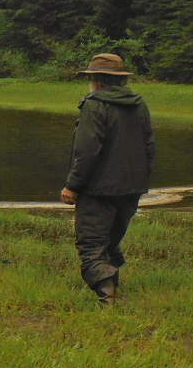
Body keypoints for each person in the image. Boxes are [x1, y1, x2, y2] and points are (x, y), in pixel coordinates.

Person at [60, 54, 156, 304]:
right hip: (132, 188)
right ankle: (111, 283)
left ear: (96, 80)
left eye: (91, 77)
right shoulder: (138, 103)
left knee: (91, 242)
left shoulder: (95, 105)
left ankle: (106, 295)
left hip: (98, 190)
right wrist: (140, 179)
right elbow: (149, 147)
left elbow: (88, 151)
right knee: (111, 240)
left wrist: (72, 185)